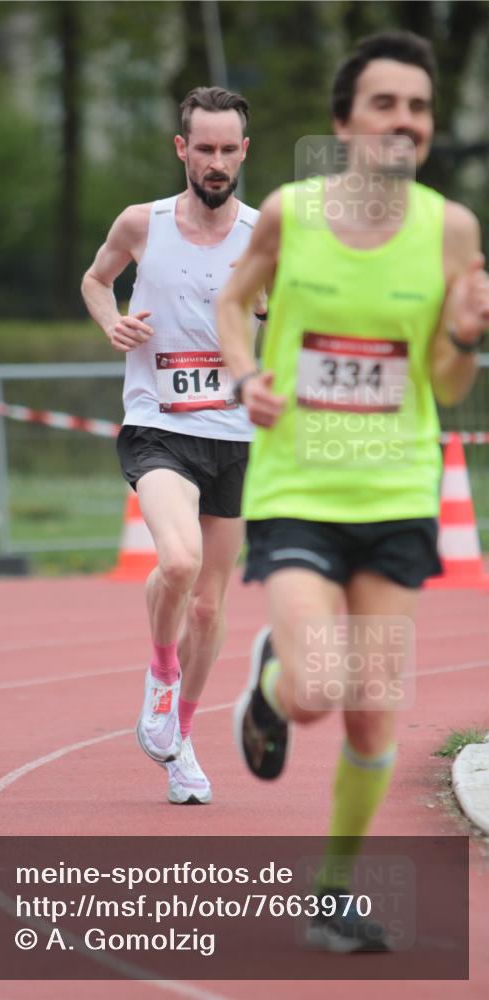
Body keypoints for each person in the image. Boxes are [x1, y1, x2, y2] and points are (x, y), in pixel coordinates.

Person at [217, 30, 489, 950]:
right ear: (344, 122)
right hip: (298, 487)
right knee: (316, 690)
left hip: (397, 493)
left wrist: (463, 337)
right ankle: (269, 677)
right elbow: (232, 301)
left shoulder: (450, 230)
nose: (402, 122)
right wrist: (243, 374)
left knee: (372, 709)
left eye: (417, 107)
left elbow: (447, 386)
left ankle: (330, 894)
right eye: (384, 104)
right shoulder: (289, 214)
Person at [81, 87, 263, 805]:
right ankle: (160, 674)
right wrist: (110, 321)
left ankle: (180, 739)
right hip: (159, 424)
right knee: (178, 560)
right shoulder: (140, 223)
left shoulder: (263, 237)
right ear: (181, 149)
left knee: (212, 609)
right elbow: (96, 281)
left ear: (243, 151)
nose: (216, 163)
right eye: (204, 149)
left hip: (237, 435)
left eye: (228, 150)